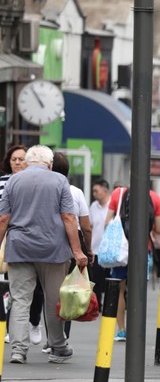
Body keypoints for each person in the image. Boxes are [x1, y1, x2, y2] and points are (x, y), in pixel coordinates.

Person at [0, 145, 87, 364]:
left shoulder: (13, 181)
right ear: (49, 164)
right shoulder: (59, 181)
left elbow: (3, 219)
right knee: (53, 299)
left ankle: (18, 350)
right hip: (53, 249)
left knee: (20, 300)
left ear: (28, 162)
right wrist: (77, 251)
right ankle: (58, 346)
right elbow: (69, 217)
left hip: (19, 248)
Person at [103, 183, 160, 341]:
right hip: (143, 250)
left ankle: (121, 330)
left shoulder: (118, 193)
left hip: (120, 252)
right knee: (138, 292)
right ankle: (136, 330)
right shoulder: (155, 197)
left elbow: (107, 222)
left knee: (120, 290)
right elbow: (159, 228)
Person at [0, 145, 45, 347]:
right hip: (9, 238)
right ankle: (13, 328)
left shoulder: (37, 181)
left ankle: (34, 321)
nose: (17, 162)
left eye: (21, 159)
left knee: (35, 289)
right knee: (12, 287)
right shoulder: (2, 183)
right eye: (14, 159)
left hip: (33, 239)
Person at [52, 152, 92, 340]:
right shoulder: (76, 192)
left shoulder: (45, 189)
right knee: (68, 289)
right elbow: (85, 226)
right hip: (73, 239)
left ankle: (46, 334)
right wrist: (88, 249)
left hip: (49, 239)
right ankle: (62, 336)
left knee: (49, 291)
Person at [89, 179, 110, 308]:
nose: (94, 194)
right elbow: (90, 226)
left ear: (105, 190)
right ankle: (98, 305)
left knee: (108, 279)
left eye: (96, 191)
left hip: (109, 250)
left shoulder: (113, 206)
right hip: (95, 249)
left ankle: (109, 304)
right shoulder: (93, 206)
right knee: (96, 279)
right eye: (93, 191)